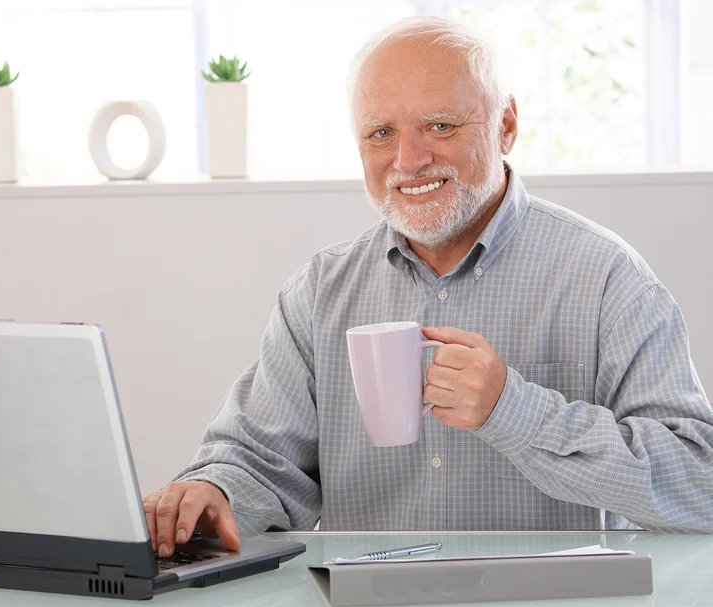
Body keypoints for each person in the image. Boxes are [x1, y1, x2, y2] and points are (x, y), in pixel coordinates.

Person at [143, 16, 713, 558]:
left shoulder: (608, 278)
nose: (409, 160)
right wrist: (213, 492)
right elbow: (260, 463)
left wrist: (513, 411)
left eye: (440, 125)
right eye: (381, 133)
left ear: (506, 125)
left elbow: (700, 486)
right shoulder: (319, 293)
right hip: (362, 606)